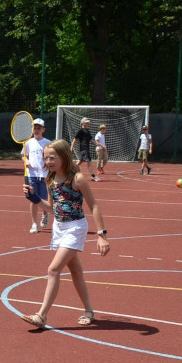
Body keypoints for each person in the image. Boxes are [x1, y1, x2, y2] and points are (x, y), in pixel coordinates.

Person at [21, 140, 110, 328]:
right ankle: (89, 311)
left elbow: (93, 205)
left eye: (52, 157)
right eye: (46, 157)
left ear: (64, 157)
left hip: (76, 228)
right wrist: (35, 198)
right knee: (76, 271)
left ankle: (42, 315)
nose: (49, 161)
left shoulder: (77, 179)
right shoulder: (50, 179)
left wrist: (102, 235)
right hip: (59, 228)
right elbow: (53, 208)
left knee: (53, 270)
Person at [22, 118, 53, 234]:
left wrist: (48, 163)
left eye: (39, 128)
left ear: (43, 129)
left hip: (45, 175)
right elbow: (24, 156)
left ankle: (45, 214)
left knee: (44, 199)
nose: (36, 130)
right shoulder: (28, 143)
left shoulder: (48, 143)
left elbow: (51, 156)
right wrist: (26, 161)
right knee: (33, 199)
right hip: (32, 175)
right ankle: (34, 223)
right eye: (35, 127)